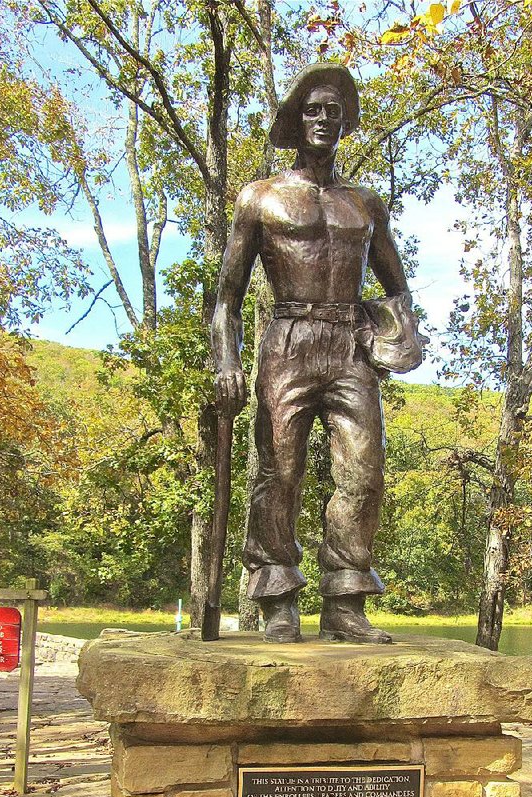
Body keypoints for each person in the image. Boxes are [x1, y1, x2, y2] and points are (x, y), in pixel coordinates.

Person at [212, 63, 420, 644]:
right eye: (313, 109)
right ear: (295, 120)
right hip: (288, 340)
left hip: (350, 345)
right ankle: (277, 595)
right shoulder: (260, 198)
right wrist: (226, 361)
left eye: (334, 110)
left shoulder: (365, 205)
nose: (323, 119)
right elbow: (226, 297)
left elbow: (397, 286)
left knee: (364, 468)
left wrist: (397, 333)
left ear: (347, 122)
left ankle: (346, 599)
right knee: (279, 469)